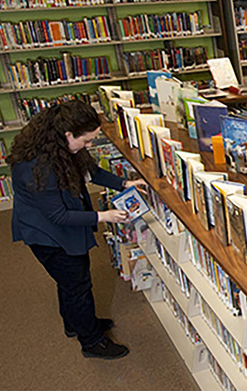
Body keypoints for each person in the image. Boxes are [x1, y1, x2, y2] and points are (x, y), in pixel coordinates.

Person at [8, 99, 146, 360]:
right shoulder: (36, 167)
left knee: (71, 282)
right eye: (87, 141)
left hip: (62, 226)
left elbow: (91, 172)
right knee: (77, 283)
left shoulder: (63, 147)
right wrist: (104, 216)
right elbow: (58, 215)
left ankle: (77, 322)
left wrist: (125, 183)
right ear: (68, 134)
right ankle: (91, 342)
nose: (90, 146)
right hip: (47, 235)